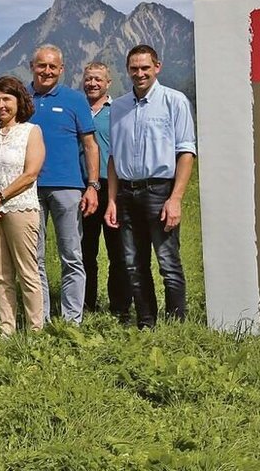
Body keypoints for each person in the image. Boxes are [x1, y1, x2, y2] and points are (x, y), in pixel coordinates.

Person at [104, 45, 197, 328]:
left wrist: (176, 198)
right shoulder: (118, 107)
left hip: (160, 191)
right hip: (126, 193)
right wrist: (111, 200)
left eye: (145, 68)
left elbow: (186, 152)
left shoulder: (174, 101)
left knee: (168, 263)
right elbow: (113, 157)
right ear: (127, 69)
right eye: (134, 68)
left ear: (157, 67)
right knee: (134, 264)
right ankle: (146, 324)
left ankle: (175, 327)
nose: (139, 73)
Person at [29, 44, 100, 323]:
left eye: (52, 66)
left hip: (68, 187)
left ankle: (72, 320)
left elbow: (90, 145)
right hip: (29, 188)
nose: (46, 71)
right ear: (32, 66)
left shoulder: (74, 99)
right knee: (35, 259)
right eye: (41, 65)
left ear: (61, 69)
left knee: (71, 255)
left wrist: (92, 185)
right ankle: (41, 318)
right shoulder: (21, 97)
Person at [0, 76, 45, 336]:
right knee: (0, 274)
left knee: (27, 272)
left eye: (7, 99)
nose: (1, 105)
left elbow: (30, 174)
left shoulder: (31, 131)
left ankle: (35, 330)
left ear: (19, 101)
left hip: (20, 208)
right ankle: (7, 329)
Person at [79, 61, 131, 318]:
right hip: (83, 189)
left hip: (113, 187)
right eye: (89, 79)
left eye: (98, 79)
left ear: (108, 83)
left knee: (118, 252)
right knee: (85, 251)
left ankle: (119, 308)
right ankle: (86, 305)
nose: (93, 83)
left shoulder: (119, 110)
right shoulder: (77, 108)